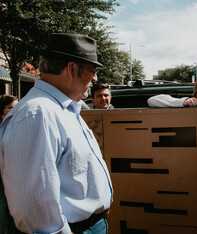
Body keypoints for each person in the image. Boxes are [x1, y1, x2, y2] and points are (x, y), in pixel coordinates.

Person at [0, 33, 113, 233]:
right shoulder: (37, 114)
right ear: (71, 69)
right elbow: (35, 211)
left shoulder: (61, 108)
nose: (95, 78)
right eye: (92, 70)